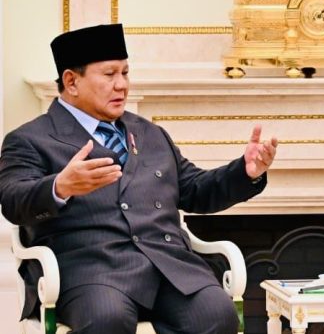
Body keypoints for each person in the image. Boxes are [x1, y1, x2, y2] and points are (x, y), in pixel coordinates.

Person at [0, 24, 278, 334]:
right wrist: (60, 186)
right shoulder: (31, 139)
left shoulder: (150, 133)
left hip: (168, 266)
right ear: (71, 81)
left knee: (218, 314)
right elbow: (12, 200)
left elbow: (195, 189)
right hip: (92, 272)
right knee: (107, 319)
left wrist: (245, 172)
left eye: (125, 73)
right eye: (109, 74)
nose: (121, 85)